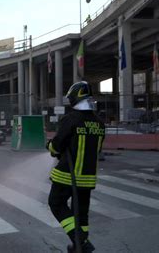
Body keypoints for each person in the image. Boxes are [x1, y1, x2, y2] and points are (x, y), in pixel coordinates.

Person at [46, 81, 105, 253]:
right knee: (81, 213)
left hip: (67, 175)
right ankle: (79, 245)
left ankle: (80, 241)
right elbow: (97, 149)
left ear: (74, 97)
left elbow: (57, 146)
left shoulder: (71, 119)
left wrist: (50, 147)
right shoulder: (99, 123)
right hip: (88, 177)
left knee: (56, 204)